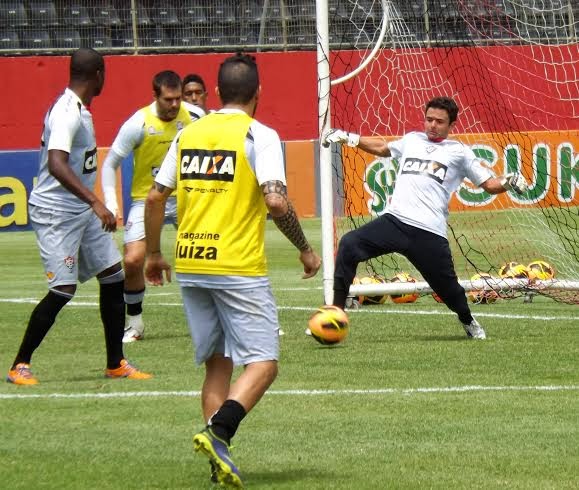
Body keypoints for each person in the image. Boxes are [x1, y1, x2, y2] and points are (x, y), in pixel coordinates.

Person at [144, 53, 321, 487]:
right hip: (236, 266)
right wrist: (305, 248)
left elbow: (154, 197)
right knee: (263, 364)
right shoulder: (259, 135)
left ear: (217, 92)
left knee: (218, 367)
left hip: (190, 262)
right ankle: (219, 432)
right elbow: (276, 201)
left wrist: (152, 254)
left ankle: (217, 463)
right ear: (259, 93)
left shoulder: (189, 133)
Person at [323, 96, 529, 340]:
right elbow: (382, 148)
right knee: (349, 244)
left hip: (428, 233)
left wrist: (509, 181)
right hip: (395, 221)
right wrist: (349, 138)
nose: (432, 125)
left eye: (439, 121)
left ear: (452, 125)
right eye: (429, 119)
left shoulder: (459, 153)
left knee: (449, 290)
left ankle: (468, 320)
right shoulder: (412, 140)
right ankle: (335, 314)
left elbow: (489, 185)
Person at [6, 48, 151, 385]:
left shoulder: (79, 108)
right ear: (99, 74)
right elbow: (56, 164)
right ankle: (19, 365)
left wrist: (90, 205)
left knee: (114, 275)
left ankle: (116, 362)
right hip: (56, 212)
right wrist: (96, 202)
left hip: (79, 209)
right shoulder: (67, 112)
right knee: (63, 289)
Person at [101, 70, 206, 343]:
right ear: (155, 96)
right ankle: (135, 323)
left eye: (178, 99)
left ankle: (225, 318)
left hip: (187, 196)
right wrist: (112, 204)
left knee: (215, 252)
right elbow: (110, 163)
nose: (174, 105)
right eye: (168, 99)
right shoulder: (137, 123)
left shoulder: (195, 116)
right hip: (146, 199)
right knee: (134, 259)